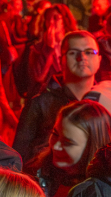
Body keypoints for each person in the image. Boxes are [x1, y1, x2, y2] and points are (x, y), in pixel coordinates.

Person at [13, 31, 101, 163]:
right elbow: (19, 154)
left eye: (89, 52)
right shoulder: (41, 103)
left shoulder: (106, 101)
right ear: (61, 60)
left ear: (99, 59)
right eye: (73, 52)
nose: (82, 57)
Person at [27, 100, 111, 197]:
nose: (56, 146)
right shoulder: (38, 172)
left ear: (92, 147)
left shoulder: (103, 194)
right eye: (55, 134)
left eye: (68, 142)